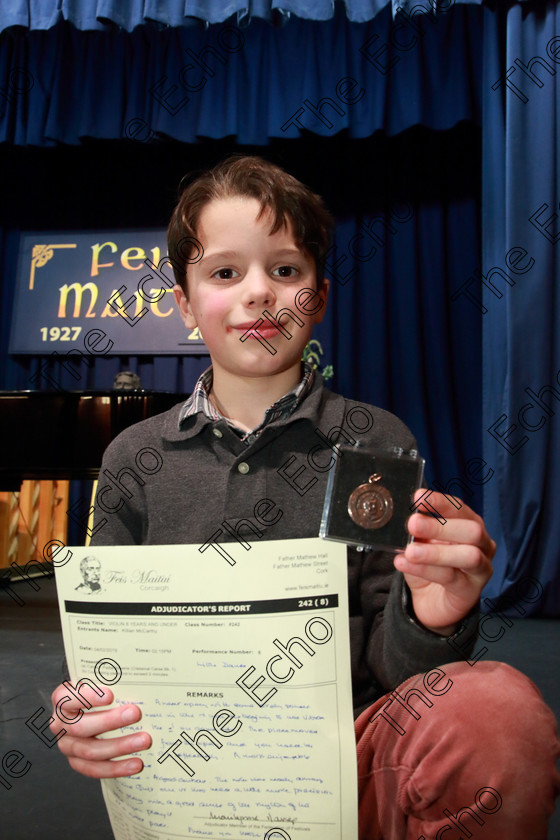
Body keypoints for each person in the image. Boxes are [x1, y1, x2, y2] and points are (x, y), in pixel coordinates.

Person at [50, 155, 560, 838]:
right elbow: (103, 646)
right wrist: (86, 709)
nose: (259, 292)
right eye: (225, 272)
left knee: (497, 710)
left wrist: (433, 618)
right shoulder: (132, 460)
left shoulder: (374, 440)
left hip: (348, 766)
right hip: (185, 772)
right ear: (184, 303)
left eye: (285, 270)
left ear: (317, 295)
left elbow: (403, 674)